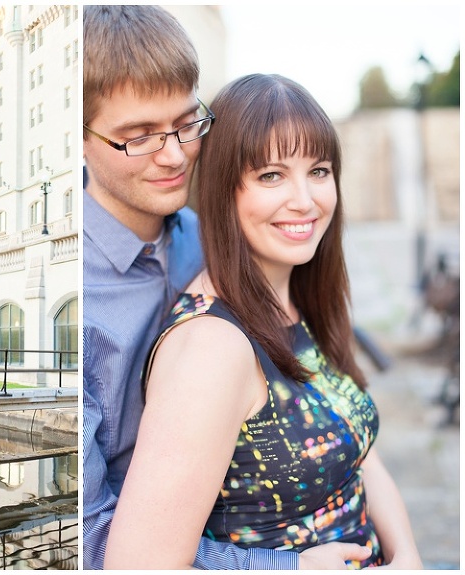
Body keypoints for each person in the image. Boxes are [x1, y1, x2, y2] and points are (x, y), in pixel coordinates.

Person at [83, 6, 370, 570]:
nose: (175, 154)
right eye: (138, 137)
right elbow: (95, 542)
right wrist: (290, 567)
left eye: (188, 123)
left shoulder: (213, 240)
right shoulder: (83, 306)